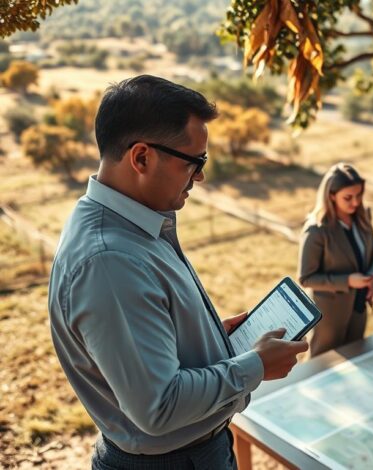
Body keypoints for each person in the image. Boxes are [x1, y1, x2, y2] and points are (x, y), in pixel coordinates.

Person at [48, 75, 308, 469]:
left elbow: (146, 344)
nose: (200, 176)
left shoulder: (133, 224)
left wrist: (210, 338)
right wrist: (255, 366)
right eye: (195, 161)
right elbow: (159, 407)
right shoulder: (109, 261)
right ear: (141, 157)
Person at [298, 163, 373, 356]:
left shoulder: (364, 216)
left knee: (355, 359)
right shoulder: (316, 230)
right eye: (348, 197)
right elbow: (306, 278)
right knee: (323, 365)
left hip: (359, 307)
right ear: (331, 195)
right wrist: (347, 281)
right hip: (330, 315)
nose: (356, 202)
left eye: (359, 195)